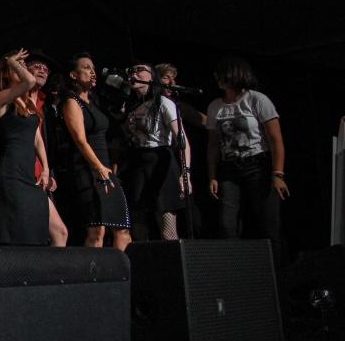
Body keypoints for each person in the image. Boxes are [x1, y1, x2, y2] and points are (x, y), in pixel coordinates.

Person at [206, 56, 287, 265]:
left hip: (258, 165)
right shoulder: (215, 106)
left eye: (221, 74)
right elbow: (213, 145)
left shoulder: (257, 100)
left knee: (267, 223)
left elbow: (275, 140)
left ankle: (276, 273)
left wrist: (278, 174)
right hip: (229, 168)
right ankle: (236, 271)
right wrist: (212, 175)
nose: (217, 79)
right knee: (227, 224)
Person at [59, 53, 131, 250]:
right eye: (86, 67)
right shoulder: (71, 101)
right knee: (97, 231)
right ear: (73, 75)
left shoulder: (95, 102)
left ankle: (124, 274)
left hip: (105, 169)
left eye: (93, 68)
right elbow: (80, 140)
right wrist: (98, 167)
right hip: (88, 169)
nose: (92, 72)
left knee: (122, 229)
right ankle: (94, 276)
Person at [119, 63, 190, 241]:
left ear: (152, 77)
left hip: (160, 161)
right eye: (132, 71)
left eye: (140, 70)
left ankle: (173, 266)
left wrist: (185, 172)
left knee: (167, 229)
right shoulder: (128, 106)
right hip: (137, 163)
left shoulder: (164, 103)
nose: (134, 73)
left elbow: (182, 140)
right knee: (138, 224)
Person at [0, 50, 52, 245]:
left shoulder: (28, 104)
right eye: (17, 67)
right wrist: (10, 60)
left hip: (28, 174)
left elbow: (37, 140)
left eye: (23, 66)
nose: (22, 69)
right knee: (17, 232)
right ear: (7, 72)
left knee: (37, 231)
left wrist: (46, 169)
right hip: (11, 172)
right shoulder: (1, 99)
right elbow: (30, 82)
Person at [21, 50, 68, 246]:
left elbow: (49, 144)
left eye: (45, 69)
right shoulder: (13, 100)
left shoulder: (47, 105)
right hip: (22, 175)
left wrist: (51, 172)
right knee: (32, 235)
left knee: (57, 233)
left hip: (43, 177)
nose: (42, 71)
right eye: (37, 66)